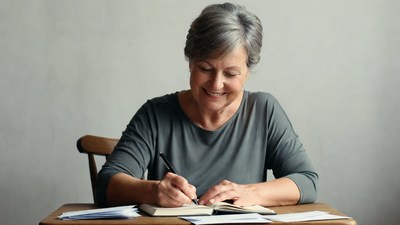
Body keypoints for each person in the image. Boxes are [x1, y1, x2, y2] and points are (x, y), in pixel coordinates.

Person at [95, 2, 318, 208]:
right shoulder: (155, 113)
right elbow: (106, 183)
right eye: (205, 69)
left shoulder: (264, 110)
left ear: (247, 72)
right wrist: (153, 191)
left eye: (230, 73)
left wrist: (250, 193)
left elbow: (306, 181)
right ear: (190, 62)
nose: (216, 84)